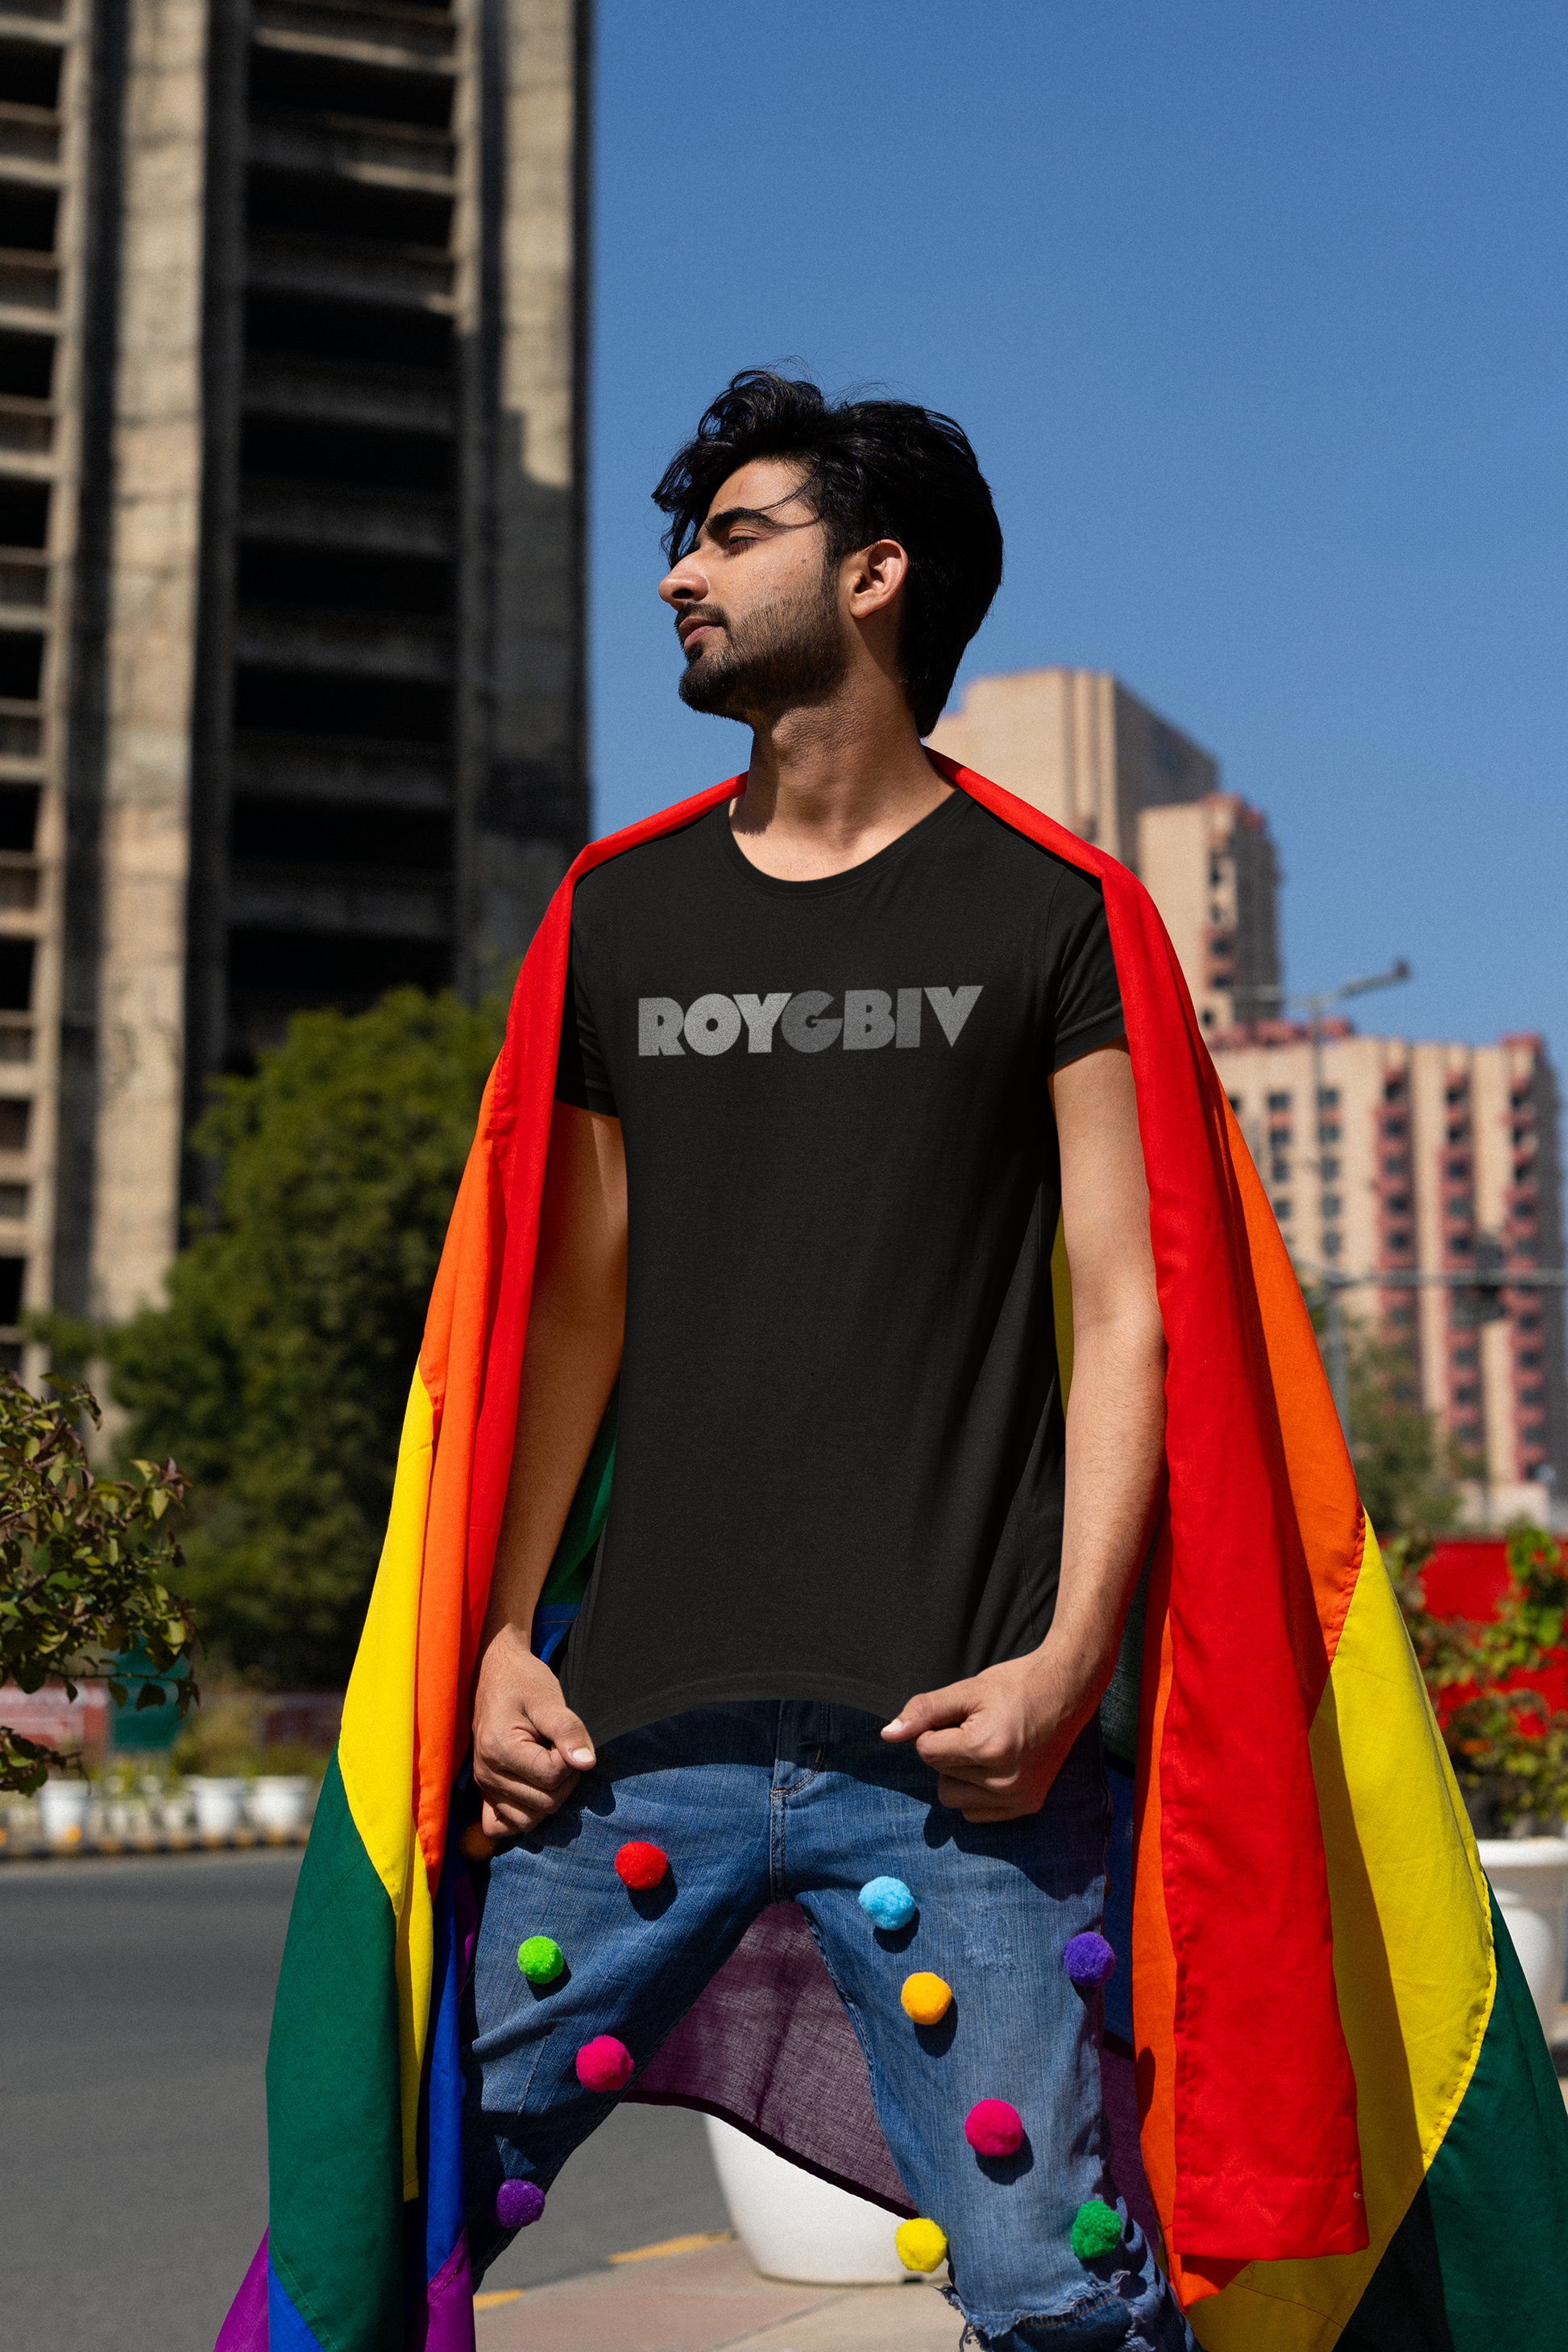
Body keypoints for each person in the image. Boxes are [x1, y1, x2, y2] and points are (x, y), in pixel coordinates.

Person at [461, 369, 1197, 2352]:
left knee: (1058, 2292)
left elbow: (1131, 1301)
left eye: (732, 533)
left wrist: (1069, 1661)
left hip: (959, 1750)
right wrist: (502, 1628)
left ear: (875, 577)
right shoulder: (617, 913)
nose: (682, 576)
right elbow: (572, 1306)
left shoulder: (1054, 911)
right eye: (682, 542)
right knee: (386, 2202)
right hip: (625, 1739)